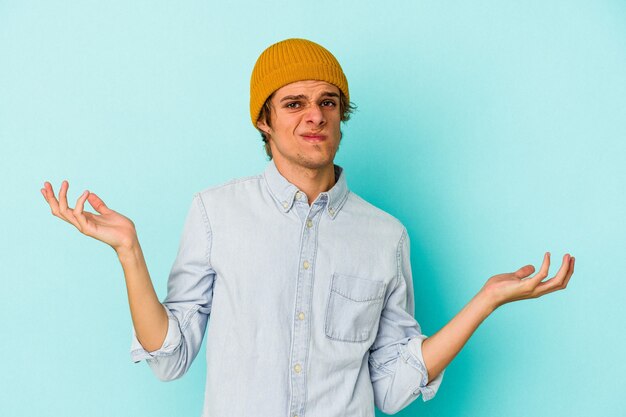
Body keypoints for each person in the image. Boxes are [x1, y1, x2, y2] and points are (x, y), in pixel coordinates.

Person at [41, 38, 575, 417]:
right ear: (264, 121)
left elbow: (390, 389)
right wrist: (129, 253)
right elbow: (171, 357)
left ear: (342, 117)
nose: (314, 116)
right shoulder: (214, 212)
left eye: (329, 103)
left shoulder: (386, 236)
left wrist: (485, 301)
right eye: (294, 103)